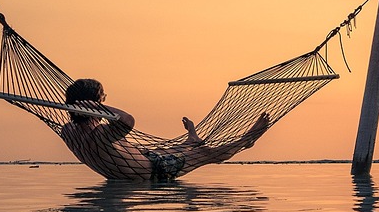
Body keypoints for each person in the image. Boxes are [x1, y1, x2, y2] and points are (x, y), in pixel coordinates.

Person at [58, 78, 269, 182]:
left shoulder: (68, 130)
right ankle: (247, 139)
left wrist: (90, 110)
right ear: (94, 103)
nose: (105, 98)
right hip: (156, 171)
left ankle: (191, 141)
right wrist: (100, 109)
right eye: (102, 96)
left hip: (145, 158)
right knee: (207, 154)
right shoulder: (101, 135)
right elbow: (128, 121)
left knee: (180, 149)